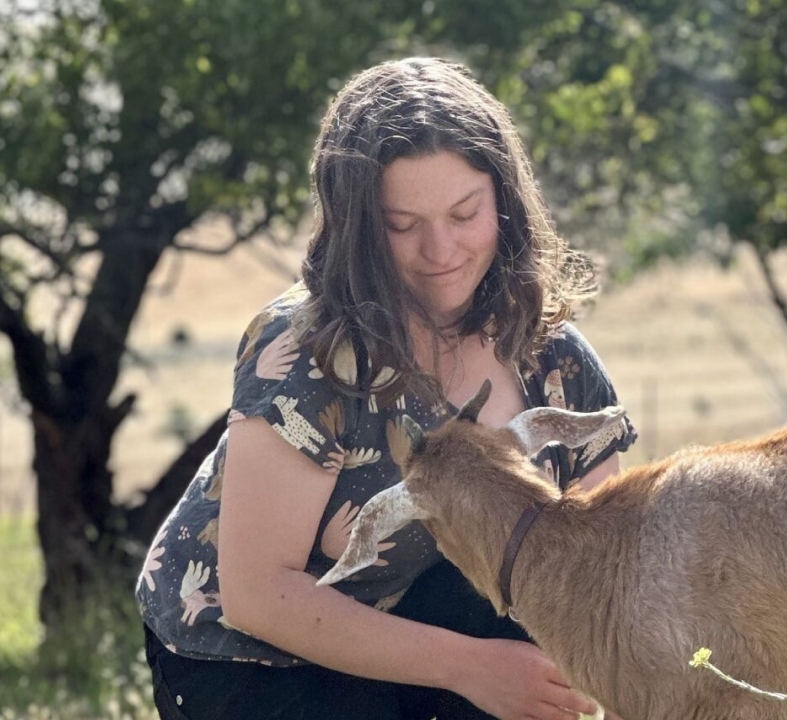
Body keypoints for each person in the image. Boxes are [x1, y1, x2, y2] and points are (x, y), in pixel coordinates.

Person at [136, 56, 636, 720]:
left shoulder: (554, 358)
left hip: (421, 618)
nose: (441, 250)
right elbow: (258, 594)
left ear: (506, 203)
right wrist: (475, 668)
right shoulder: (303, 350)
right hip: (250, 653)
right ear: (358, 228)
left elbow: (605, 560)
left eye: (465, 214)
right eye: (402, 225)